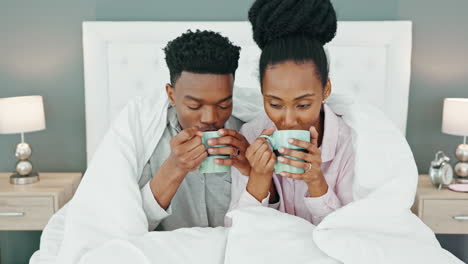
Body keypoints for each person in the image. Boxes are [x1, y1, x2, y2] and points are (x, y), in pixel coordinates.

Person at [229, 0, 354, 225]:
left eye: (303, 105)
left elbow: (349, 236)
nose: (287, 121)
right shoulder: (252, 133)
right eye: (275, 104)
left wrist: (316, 181)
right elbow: (236, 230)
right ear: (262, 93)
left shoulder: (349, 142)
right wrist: (259, 177)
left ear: (326, 89)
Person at [139, 29, 251, 231]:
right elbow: (131, 224)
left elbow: (276, 217)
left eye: (224, 105)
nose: (210, 118)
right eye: (194, 106)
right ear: (171, 95)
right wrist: (174, 167)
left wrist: (252, 171)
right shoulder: (146, 138)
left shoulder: (248, 132)